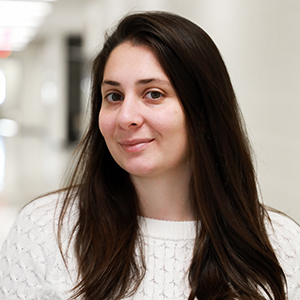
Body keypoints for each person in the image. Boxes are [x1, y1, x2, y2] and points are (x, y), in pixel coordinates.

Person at [0, 11, 299, 300]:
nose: (125, 117)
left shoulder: (281, 246)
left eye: (153, 94)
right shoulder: (44, 231)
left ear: (203, 112)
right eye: (114, 97)